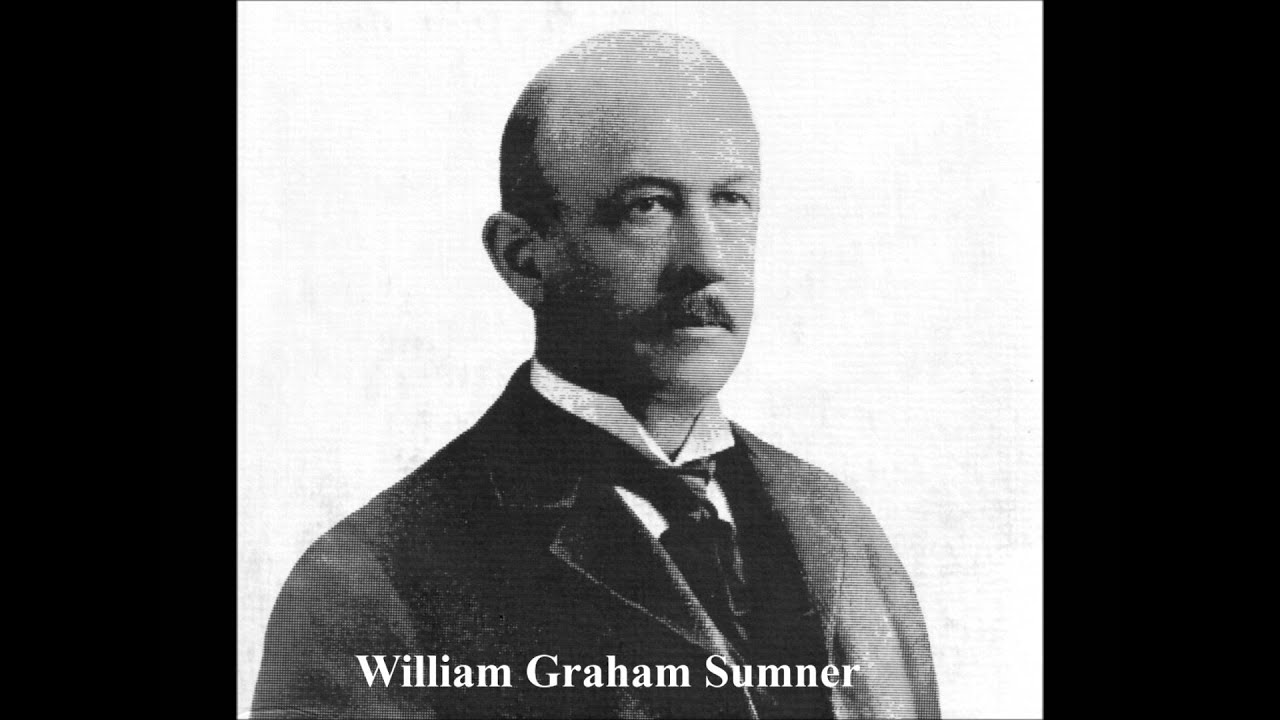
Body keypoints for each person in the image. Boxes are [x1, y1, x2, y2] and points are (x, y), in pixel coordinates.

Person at [252, 30, 939, 719]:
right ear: (524, 259)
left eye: (730, 200)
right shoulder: (370, 580)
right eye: (648, 206)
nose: (706, 260)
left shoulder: (841, 528)